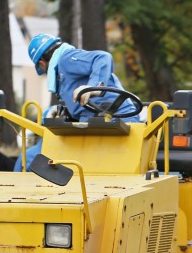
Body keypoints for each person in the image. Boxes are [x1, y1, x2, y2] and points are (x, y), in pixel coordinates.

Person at [16, 33, 142, 172]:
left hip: (118, 120)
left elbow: (103, 57)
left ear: (42, 64)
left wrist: (95, 85)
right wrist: (60, 110)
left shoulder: (66, 59)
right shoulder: (63, 73)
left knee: (28, 158)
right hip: (97, 123)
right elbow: (80, 103)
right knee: (32, 156)